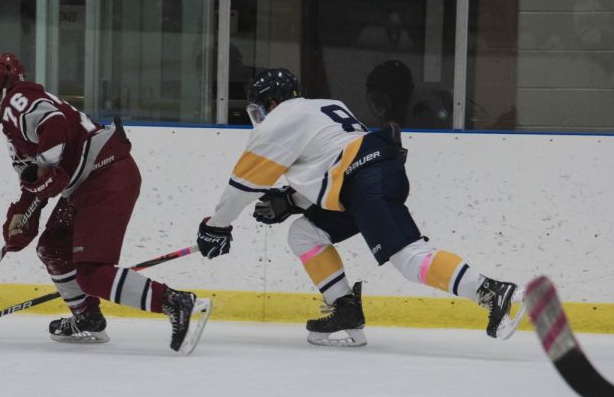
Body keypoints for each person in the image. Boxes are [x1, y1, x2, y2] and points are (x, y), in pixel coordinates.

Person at [194, 68, 523, 347]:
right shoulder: (322, 107)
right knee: (305, 234)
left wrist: (216, 226)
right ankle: (345, 309)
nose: (259, 119)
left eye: (259, 110)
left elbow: (243, 185)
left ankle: (489, 291)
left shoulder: (280, 120)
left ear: (272, 102)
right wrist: (292, 201)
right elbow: (333, 164)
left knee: (410, 259)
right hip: (365, 177)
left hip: (365, 181)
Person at [0, 52, 204, 352]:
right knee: (52, 248)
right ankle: (87, 318)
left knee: (93, 273)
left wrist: (46, 167)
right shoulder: (11, 129)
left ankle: (174, 302)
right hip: (88, 183)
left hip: (106, 173)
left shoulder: (18, 100)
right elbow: (35, 184)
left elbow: (53, 126)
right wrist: (22, 218)